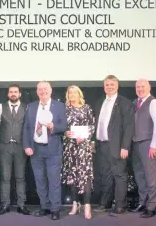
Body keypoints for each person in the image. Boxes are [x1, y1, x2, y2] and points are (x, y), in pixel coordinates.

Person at [22, 81, 67, 220]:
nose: (42, 92)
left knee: (53, 181)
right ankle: (45, 207)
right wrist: (27, 145)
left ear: (51, 90)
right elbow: (27, 128)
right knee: (40, 181)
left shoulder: (59, 106)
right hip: (36, 150)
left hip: (53, 150)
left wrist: (54, 126)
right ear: (37, 92)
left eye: (45, 89)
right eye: (40, 89)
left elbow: (64, 126)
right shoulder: (31, 106)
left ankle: (55, 209)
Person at [93, 75, 135, 214]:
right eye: (107, 85)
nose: (109, 87)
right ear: (104, 87)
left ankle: (120, 205)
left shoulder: (124, 102)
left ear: (117, 86)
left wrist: (125, 146)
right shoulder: (100, 102)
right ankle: (105, 203)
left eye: (112, 84)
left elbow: (129, 126)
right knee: (105, 175)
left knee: (120, 175)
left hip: (117, 146)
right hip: (101, 145)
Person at [61, 85, 95, 219]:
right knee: (72, 176)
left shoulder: (86, 108)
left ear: (79, 94)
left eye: (74, 92)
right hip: (70, 147)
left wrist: (85, 136)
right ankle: (75, 204)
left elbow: (92, 125)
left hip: (83, 147)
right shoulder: (64, 109)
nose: (72, 95)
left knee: (85, 176)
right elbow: (61, 126)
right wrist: (65, 132)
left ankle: (87, 205)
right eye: (70, 93)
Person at [131, 79, 156, 218]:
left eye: (143, 86)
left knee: (151, 176)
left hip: (148, 143)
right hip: (135, 144)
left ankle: (152, 206)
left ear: (149, 87)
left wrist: (154, 144)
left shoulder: (153, 102)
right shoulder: (134, 103)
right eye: (138, 87)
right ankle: (142, 202)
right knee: (139, 176)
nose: (140, 89)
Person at [0, 84, 30, 215]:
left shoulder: (27, 108)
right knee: (5, 177)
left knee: (20, 177)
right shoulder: (1, 107)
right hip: (4, 146)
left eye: (15, 92)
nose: (13, 94)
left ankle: (22, 205)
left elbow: (29, 127)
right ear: (8, 94)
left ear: (20, 94)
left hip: (21, 146)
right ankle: (5, 205)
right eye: (11, 92)